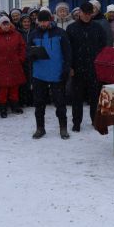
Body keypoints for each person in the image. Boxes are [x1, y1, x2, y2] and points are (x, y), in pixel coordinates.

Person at [28, 9, 71, 139]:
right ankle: (40, 128)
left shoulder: (60, 33)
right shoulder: (33, 34)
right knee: (39, 104)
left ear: (50, 20)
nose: (43, 24)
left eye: (45, 21)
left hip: (56, 73)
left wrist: (66, 69)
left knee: (60, 103)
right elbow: (27, 51)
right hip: (39, 74)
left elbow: (68, 53)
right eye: (40, 21)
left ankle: (63, 128)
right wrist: (32, 56)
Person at [66, 2, 106, 132]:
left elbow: (103, 47)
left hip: (93, 67)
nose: (87, 16)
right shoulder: (71, 28)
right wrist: (70, 66)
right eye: (85, 13)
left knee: (94, 96)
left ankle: (95, 120)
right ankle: (76, 122)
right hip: (77, 67)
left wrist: (100, 64)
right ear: (80, 13)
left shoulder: (98, 28)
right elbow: (68, 49)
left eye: (90, 14)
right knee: (77, 97)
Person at [0, 15, 26, 118]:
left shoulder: (17, 35)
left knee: (15, 86)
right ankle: (3, 108)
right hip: (2, 66)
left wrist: (20, 59)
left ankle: (15, 106)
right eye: (4, 24)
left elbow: (22, 48)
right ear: (0, 25)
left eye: (7, 24)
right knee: (3, 89)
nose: (6, 26)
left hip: (15, 64)